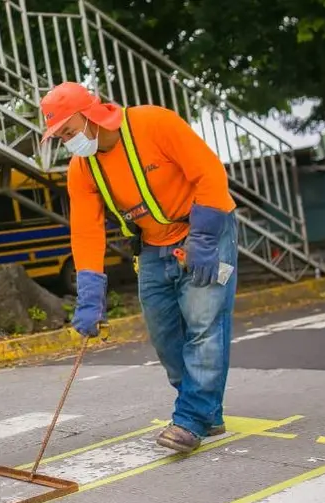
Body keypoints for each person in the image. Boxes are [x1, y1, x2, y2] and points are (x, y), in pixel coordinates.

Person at [40, 82, 239, 454]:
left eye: (68, 131)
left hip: (204, 229)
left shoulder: (154, 124)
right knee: (165, 336)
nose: (68, 142)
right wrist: (89, 294)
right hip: (152, 245)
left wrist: (206, 238)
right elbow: (86, 231)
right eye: (61, 136)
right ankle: (204, 410)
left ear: (90, 116)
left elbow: (209, 174)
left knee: (204, 325)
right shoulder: (82, 169)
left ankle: (191, 419)